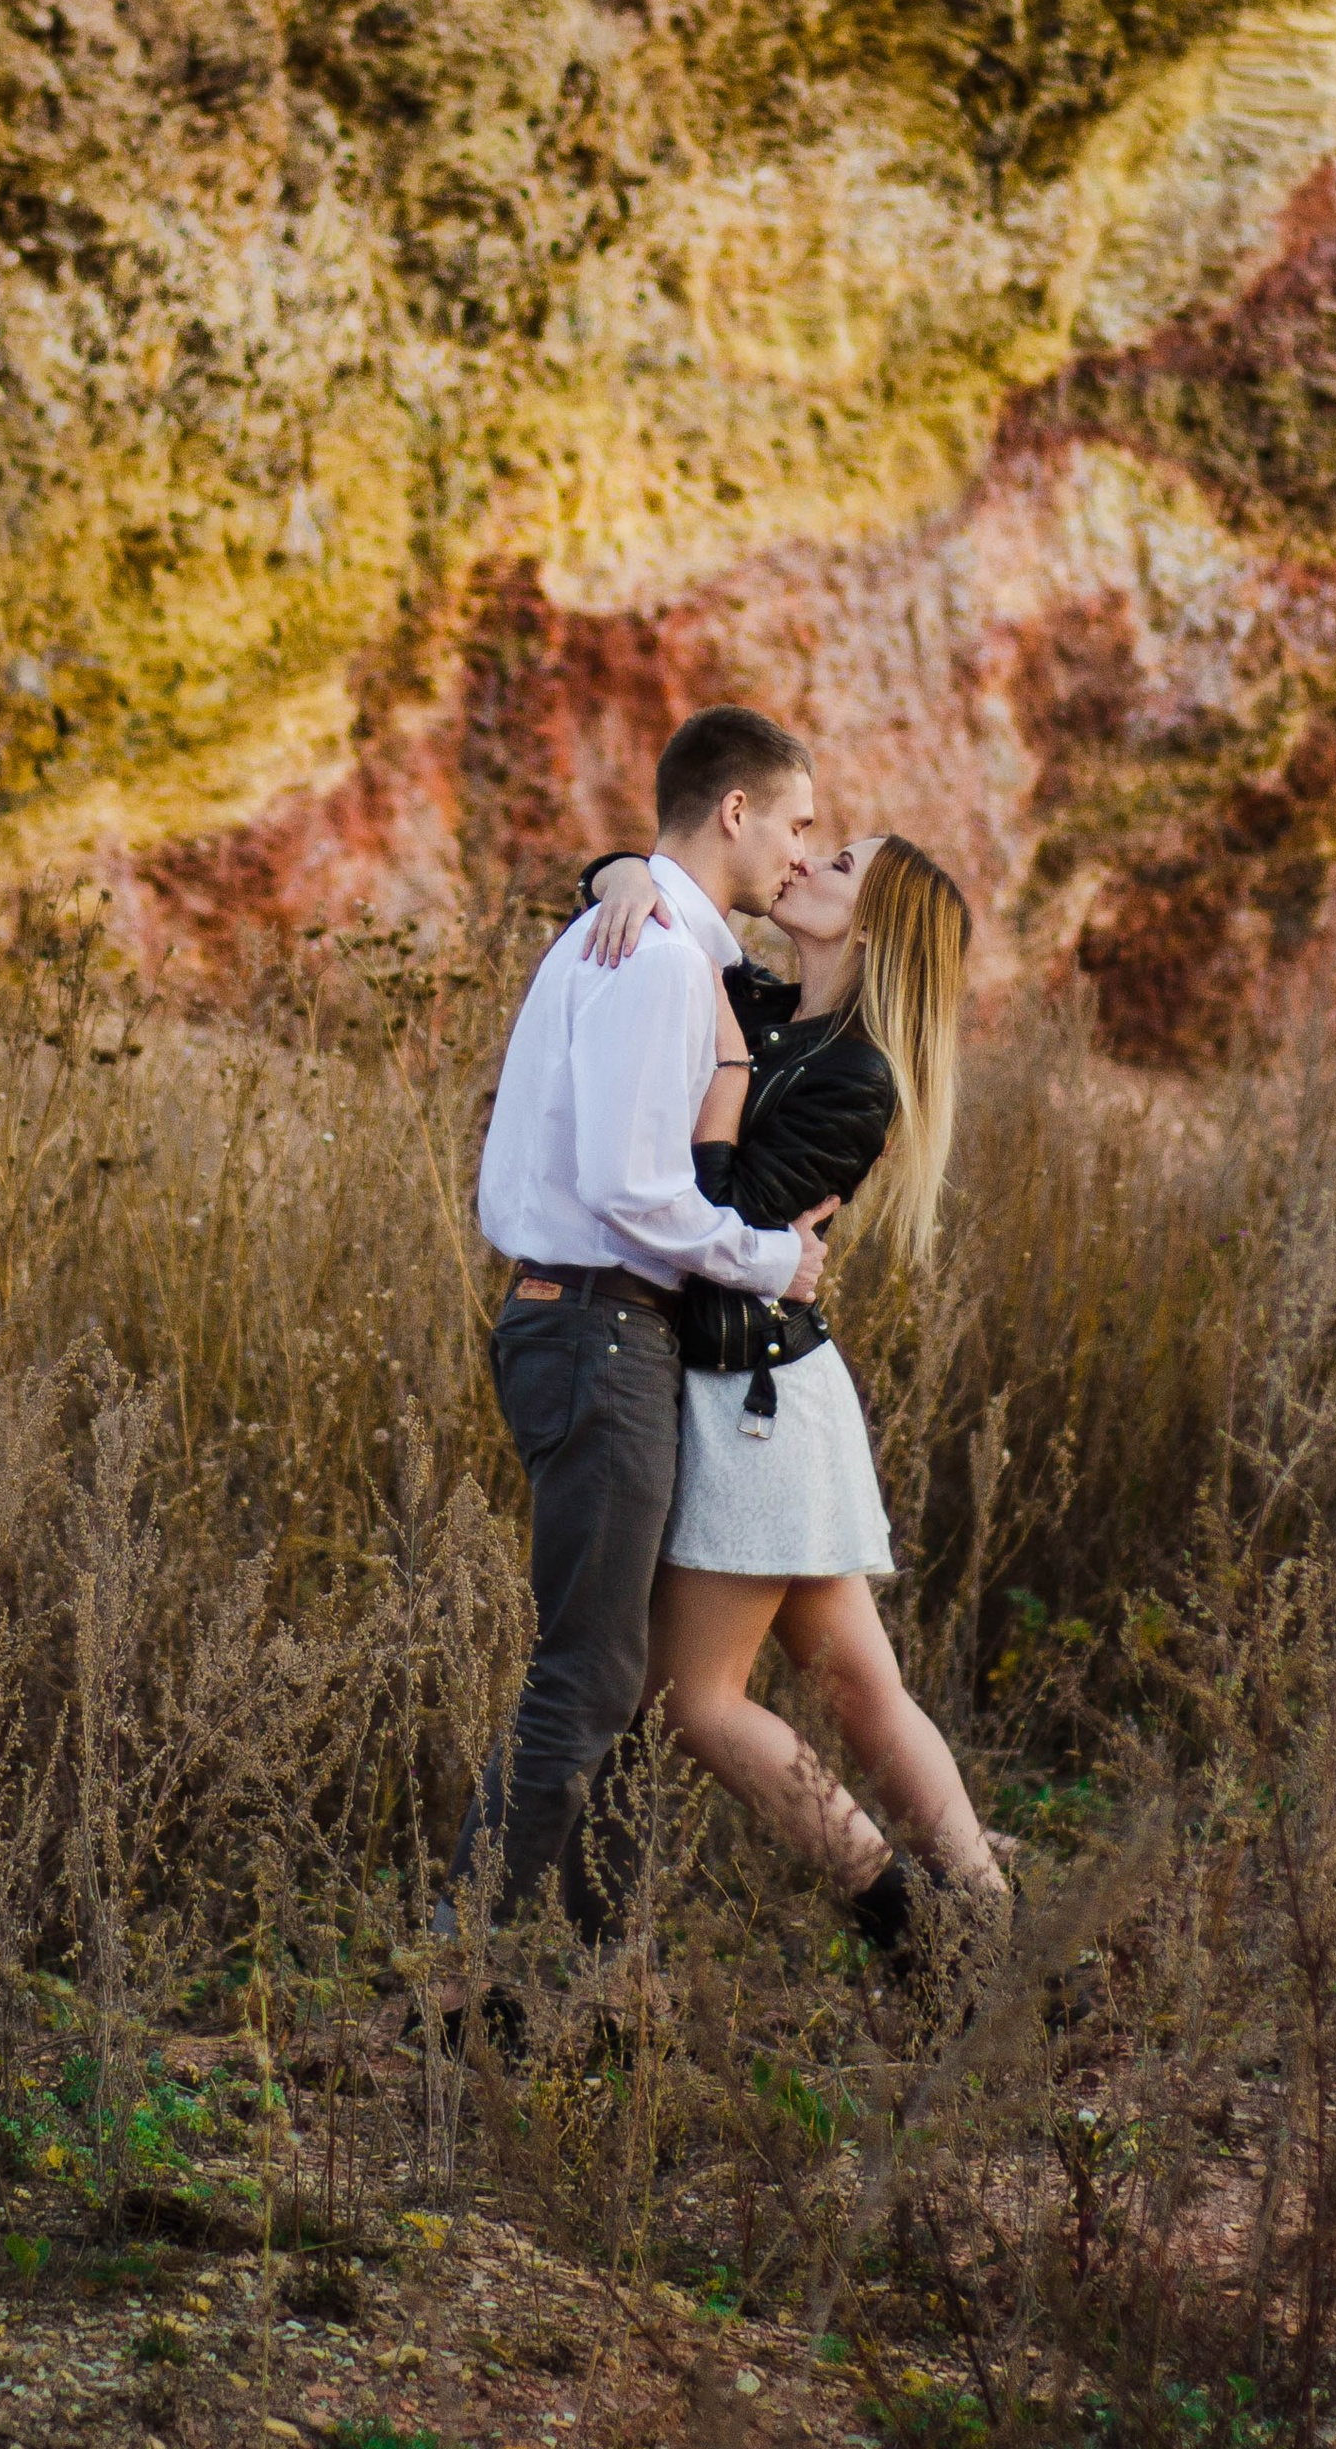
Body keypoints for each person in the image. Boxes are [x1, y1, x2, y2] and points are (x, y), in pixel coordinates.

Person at [578, 828, 1009, 1970]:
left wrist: (716, 1075)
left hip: (753, 1402)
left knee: (696, 1700)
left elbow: (718, 1222)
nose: (805, 860)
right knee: (866, 1689)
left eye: (841, 864)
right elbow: (642, 892)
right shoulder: (764, 1003)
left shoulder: (857, 1075)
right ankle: (996, 1938)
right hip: (764, 1387)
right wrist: (618, 873)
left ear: (870, 927)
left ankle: (919, 1930)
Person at [451, 706, 837, 1932]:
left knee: (608, 1667)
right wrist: (768, 1257)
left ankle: (594, 1978)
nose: (800, 850)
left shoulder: (640, 927)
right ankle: (468, 1971)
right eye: (797, 822)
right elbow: (631, 1188)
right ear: (737, 810)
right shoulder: (655, 952)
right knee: (590, 1669)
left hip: (594, 1329)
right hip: (597, 1328)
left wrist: (614, 869)